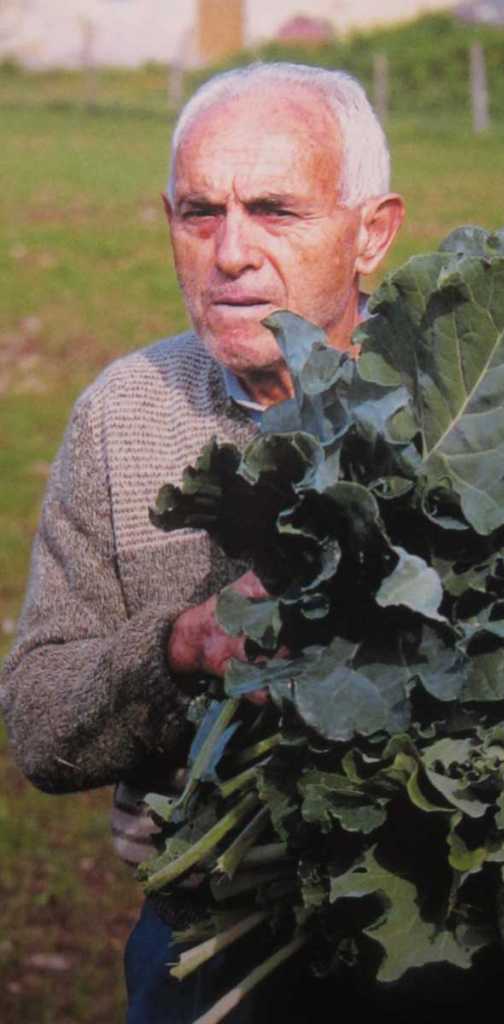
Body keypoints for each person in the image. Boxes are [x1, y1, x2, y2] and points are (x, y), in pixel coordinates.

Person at [0, 61, 405, 1021]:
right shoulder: (124, 413)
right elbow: (39, 723)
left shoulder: (466, 408)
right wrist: (181, 649)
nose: (230, 253)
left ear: (371, 234)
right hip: (207, 937)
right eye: (198, 213)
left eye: (275, 211)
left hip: (435, 931)